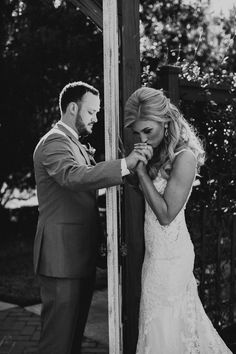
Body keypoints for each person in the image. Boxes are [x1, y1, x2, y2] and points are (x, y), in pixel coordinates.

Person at [33, 81, 150, 354]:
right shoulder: (53, 143)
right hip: (60, 259)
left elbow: (92, 182)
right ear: (72, 108)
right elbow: (74, 177)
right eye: (92, 112)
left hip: (77, 258)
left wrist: (138, 175)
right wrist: (125, 163)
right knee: (57, 342)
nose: (97, 118)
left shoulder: (72, 143)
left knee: (72, 340)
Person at [124, 87, 232, 354]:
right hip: (155, 255)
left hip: (171, 258)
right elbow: (147, 195)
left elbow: (165, 214)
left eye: (148, 131)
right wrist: (132, 169)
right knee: (157, 325)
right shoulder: (158, 153)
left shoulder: (185, 158)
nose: (142, 138)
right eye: (137, 133)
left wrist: (140, 173)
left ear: (166, 121)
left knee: (166, 327)